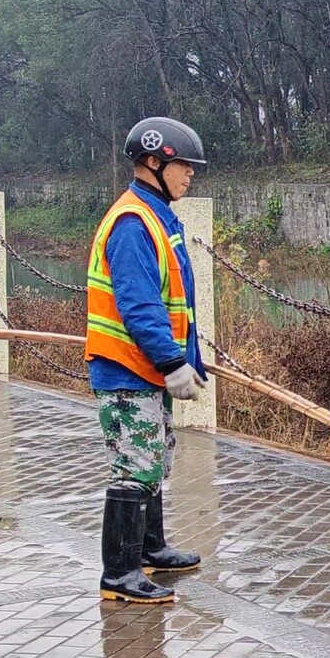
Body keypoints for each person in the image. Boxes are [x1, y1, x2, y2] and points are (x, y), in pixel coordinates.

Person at [87, 116, 210, 603]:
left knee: (156, 458)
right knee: (135, 464)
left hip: (147, 369)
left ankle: (149, 548)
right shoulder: (134, 222)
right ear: (154, 163)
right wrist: (169, 361)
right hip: (126, 368)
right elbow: (139, 305)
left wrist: (188, 357)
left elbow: (175, 300)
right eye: (184, 165)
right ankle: (118, 574)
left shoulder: (159, 213)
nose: (191, 174)